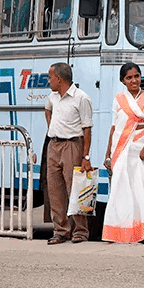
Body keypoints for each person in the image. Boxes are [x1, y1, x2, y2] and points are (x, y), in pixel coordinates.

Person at [101, 62, 144, 244]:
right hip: (121, 150)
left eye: (136, 76)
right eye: (129, 77)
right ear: (123, 81)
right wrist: (108, 154)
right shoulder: (118, 99)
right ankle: (122, 233)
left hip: (142, 149)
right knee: (122, 190)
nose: (133, 80)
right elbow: (114, 128)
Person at [44, 62, 94, 245]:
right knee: (55, 190)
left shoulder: (81, 98)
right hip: (54, 145)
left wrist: (85, 156)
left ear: (59, 78)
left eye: (50, 77)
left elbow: (87, 128)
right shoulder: (53, 96)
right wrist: (52, 127)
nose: (48, 81)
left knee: (76, 188)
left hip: (72, 145)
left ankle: (80, 231)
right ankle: (60, 230)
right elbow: (47, 109)